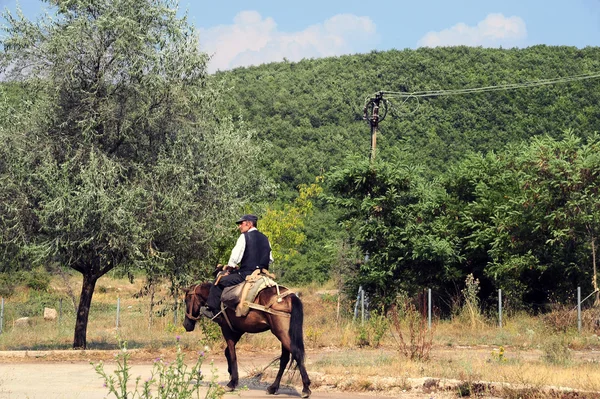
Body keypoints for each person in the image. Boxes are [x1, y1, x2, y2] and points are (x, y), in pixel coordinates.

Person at [200, 214, 273, 319]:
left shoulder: (244, 237)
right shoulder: (266, 239)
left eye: (241, 224)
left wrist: (230, 268)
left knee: (219, 281)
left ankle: (213, 311)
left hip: (246, 274)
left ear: (249, 224)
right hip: (262, 275)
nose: (239, 226)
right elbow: (269, 259)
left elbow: (234, 258)